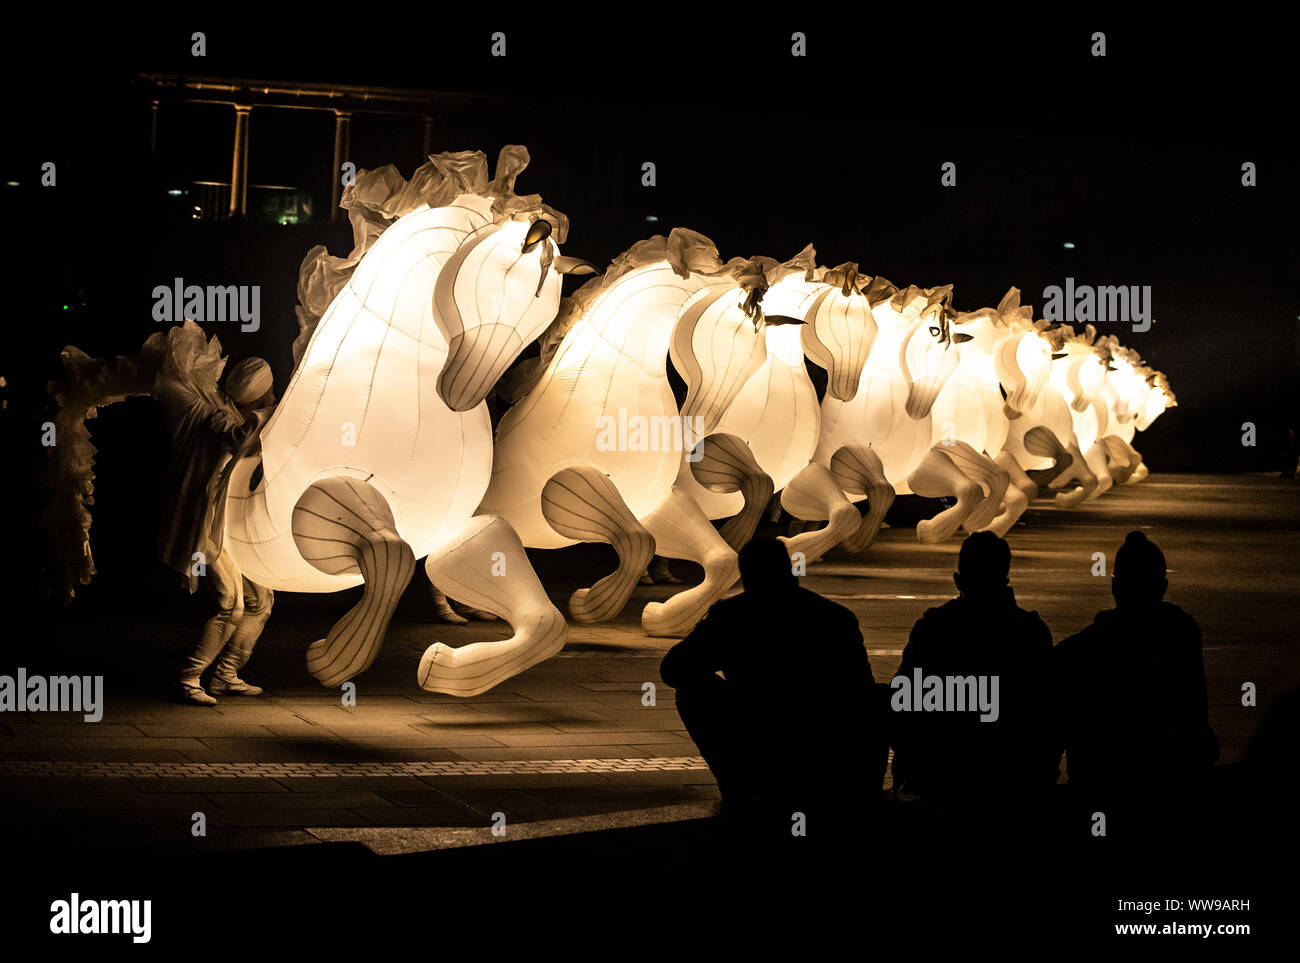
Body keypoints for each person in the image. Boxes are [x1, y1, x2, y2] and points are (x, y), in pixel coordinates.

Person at [659, 537, 886, 815]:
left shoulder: (734, 615)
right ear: (789, 571)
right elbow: (861, 688)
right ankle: (858, 789)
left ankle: (740, 787)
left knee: (694, 691)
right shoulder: (835, 616)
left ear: (747, 576)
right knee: (881, 696)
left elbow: (673, 669)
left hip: (759, 732)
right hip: (830, 740)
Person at [889, 531, 1058, 806]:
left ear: (958, 580)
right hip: (1012, 782)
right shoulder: (1030, 633)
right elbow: (1048, 718)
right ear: (1005, 580)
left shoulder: (933, 630)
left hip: (939, 781)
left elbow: (903, 707)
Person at [1054, 531, 1218, 796]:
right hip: (1174, 774)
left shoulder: (1086, 646)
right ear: (1163, 587)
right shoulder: (1183, 633)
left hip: (1103, 778)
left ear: (1115, 586)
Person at [157, 354, 276, 706]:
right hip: (209, 528)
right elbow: (238, 440)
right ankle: (188, 679)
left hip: (236, 525)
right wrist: (269, 415)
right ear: (258, 398)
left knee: (262, 600)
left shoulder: (246, 417)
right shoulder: (218, 417)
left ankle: (225, 675)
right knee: (231, 604)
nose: (275, 397)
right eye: (269, 394)